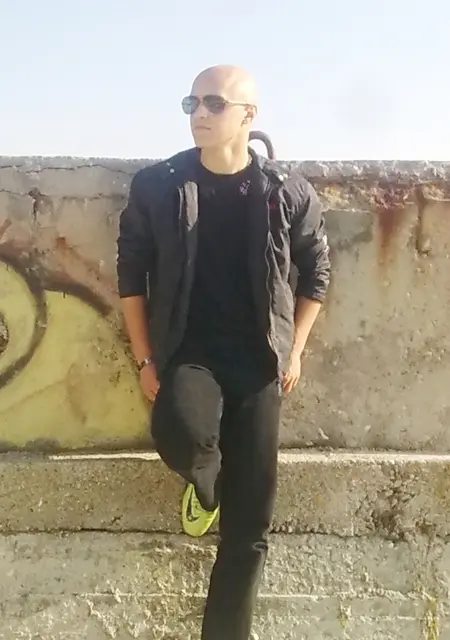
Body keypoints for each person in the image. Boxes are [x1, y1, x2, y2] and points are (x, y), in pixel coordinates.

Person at [116, 64, 331, 640]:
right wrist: (145, 358)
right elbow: (130, 274)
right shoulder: (159, 185)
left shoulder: (285, 191)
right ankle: (205, 486)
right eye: (192, 103)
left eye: (214, 103)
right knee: (180, 431)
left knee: (251, 525)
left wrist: (295, 350)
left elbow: (316, 272)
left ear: (248, 115)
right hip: (190, 352)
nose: (200, 114)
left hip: (260, 362)